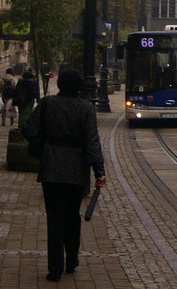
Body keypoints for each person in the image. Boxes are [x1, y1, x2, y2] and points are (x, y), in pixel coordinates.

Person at [30, 67, 105, 282]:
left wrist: (42, 142)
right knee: (72, 216)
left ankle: (55, 268)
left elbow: (29, 127)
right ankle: (71, 259)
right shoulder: (86, 108)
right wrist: (99, 171)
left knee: (54, 220)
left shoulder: (47, 104)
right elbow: (92, 141)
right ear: (80, 87)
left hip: (51, 166)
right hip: (76, 169)